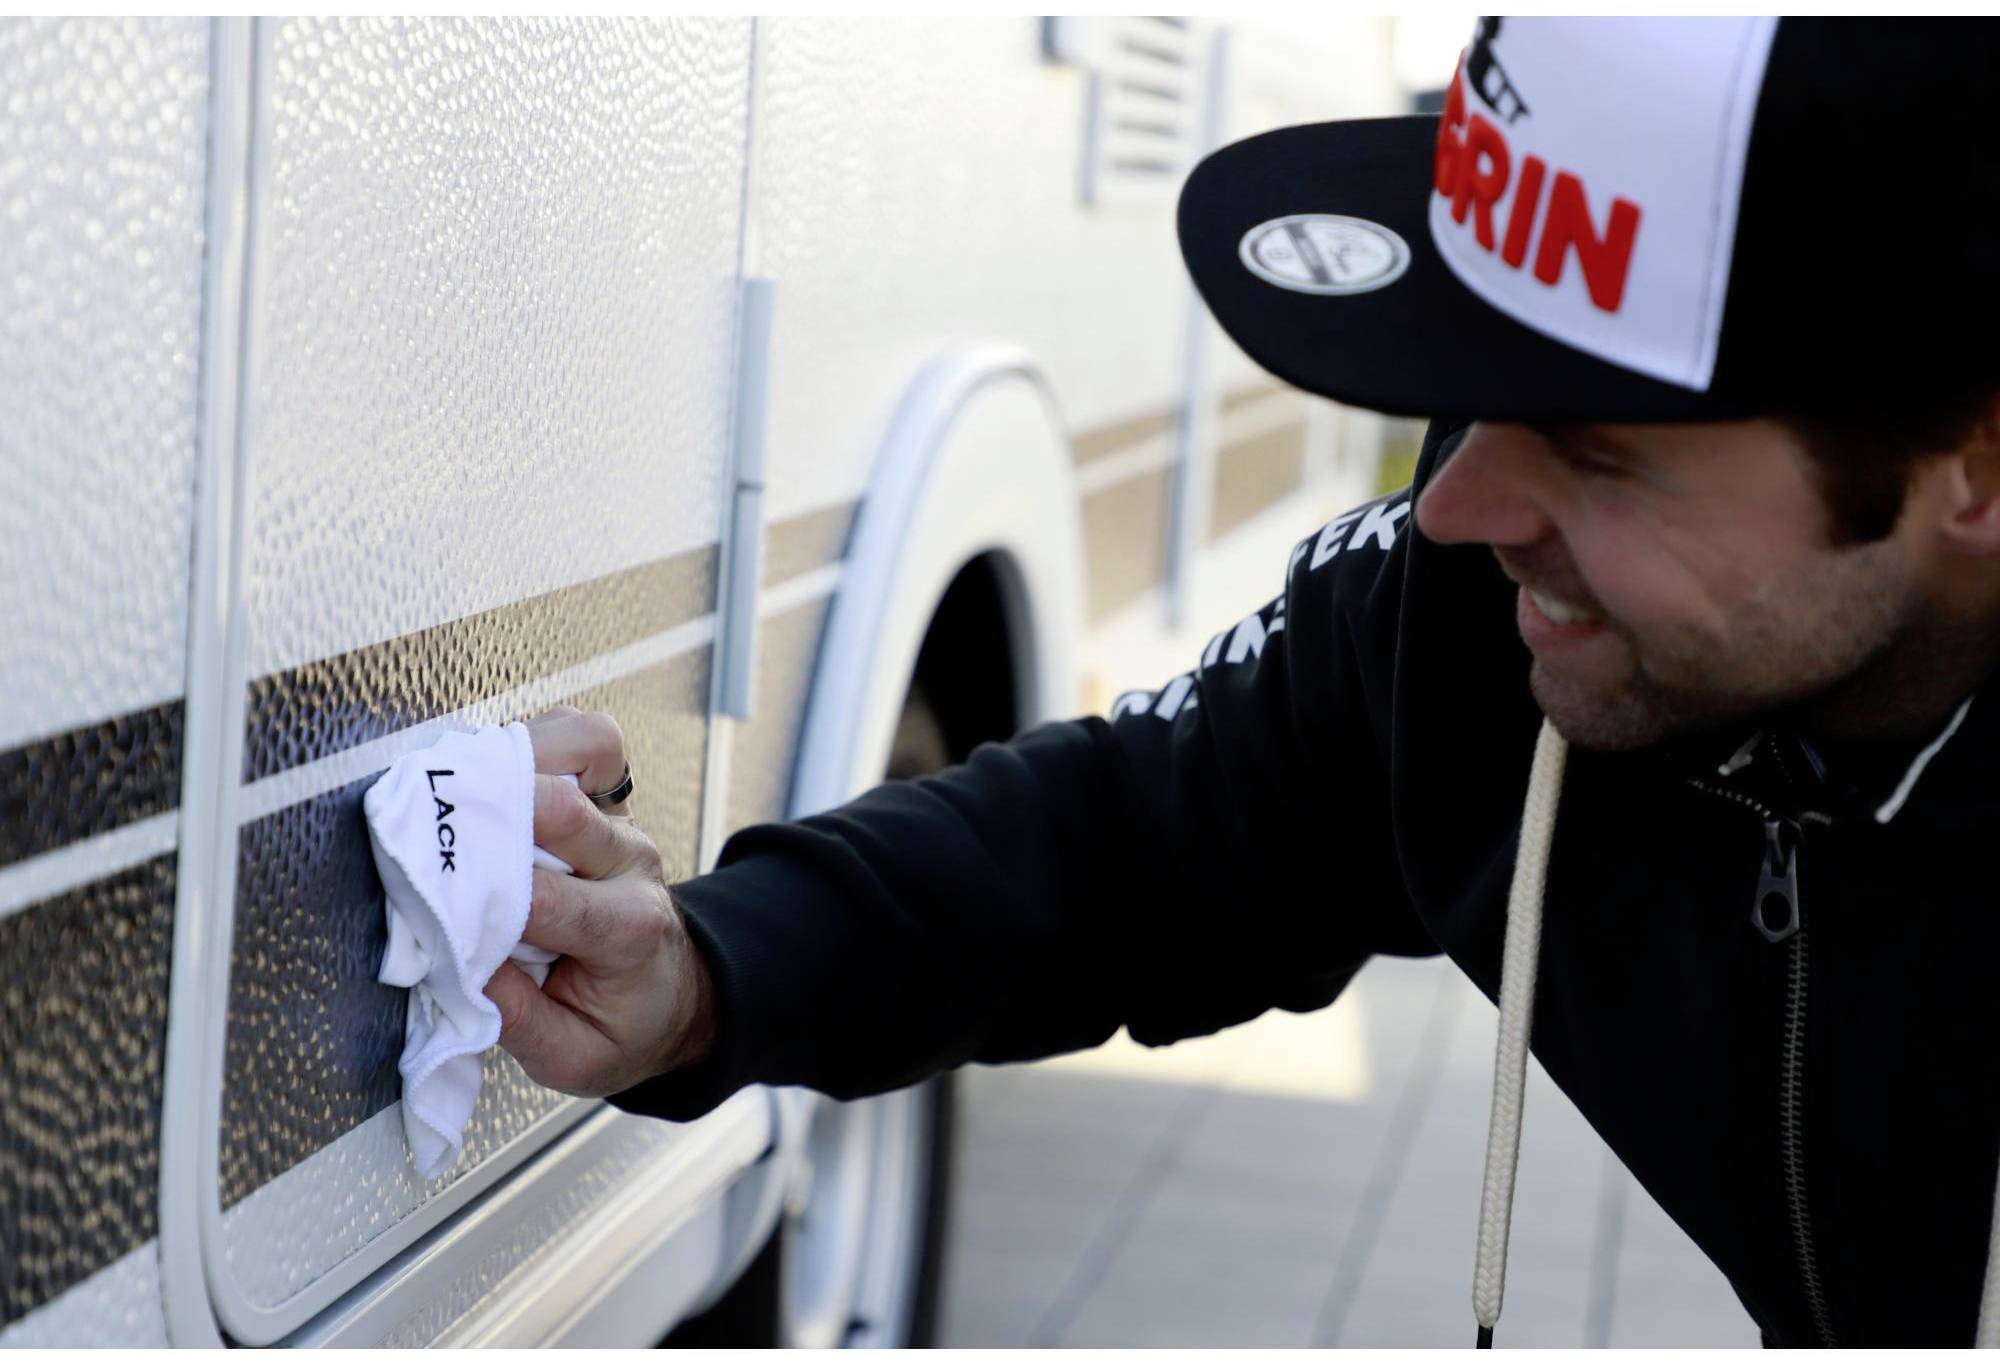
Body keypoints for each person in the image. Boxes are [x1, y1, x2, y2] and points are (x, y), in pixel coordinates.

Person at [488, 18, 2000, 1347]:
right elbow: (1136, 840)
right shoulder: (1486, 609)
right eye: (1469, 381)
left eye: (1600, 449)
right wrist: (699, 972)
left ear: (1976, 467)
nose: (1460, 508)